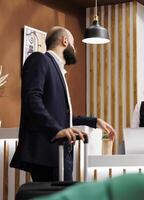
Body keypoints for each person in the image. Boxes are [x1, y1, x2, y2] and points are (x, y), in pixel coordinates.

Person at [10, 26, 116, 182]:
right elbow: (31, 99)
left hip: (59, 154)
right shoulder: (39, 59)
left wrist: (94, 121)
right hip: (47, 153)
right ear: (64, 41)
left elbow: (61, 115)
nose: (75, 50)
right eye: (74, 44)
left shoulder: (57, 69)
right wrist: (55, 130)